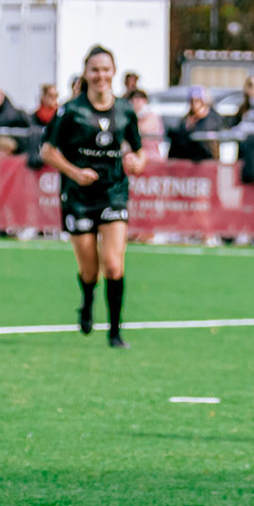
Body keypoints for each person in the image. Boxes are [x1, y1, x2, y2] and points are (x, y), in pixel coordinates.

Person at [42, 46, 145, 348]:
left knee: (113, 265)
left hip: (113, 193)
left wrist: (138, 162)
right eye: (94, 70)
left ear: (114, 72)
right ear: (86, 74)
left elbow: (138, 151)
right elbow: (47, 151)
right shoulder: (71, 111)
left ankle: (115, 331)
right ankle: (87, 302)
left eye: (105, 69)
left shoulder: (125, 110)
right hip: (78, 196)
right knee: (90, 269)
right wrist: (74, 172)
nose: (101, 75)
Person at [167, 86, 220, 162]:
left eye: (197, 101)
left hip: (204, 159)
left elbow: (205, 141)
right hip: (187, 159)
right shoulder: (186, 118)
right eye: (192, 101)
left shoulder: (211, 117)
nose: (194, 104)